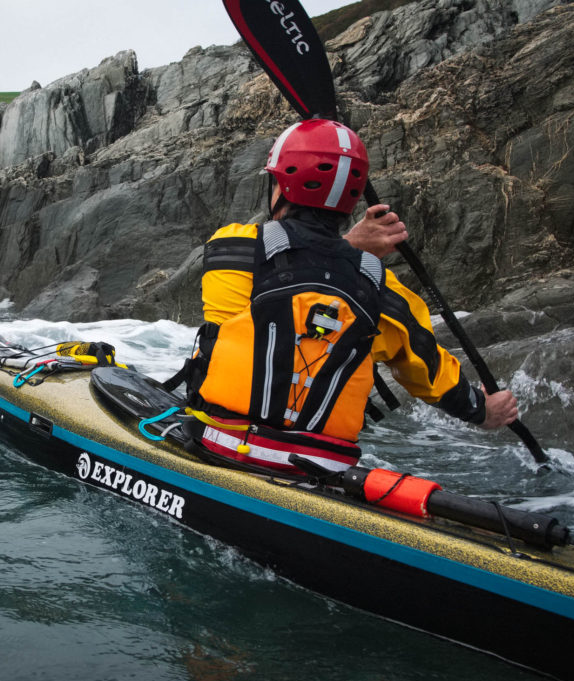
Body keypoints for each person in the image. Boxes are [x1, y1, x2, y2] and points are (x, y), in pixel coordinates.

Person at [184, 118, 518, 475]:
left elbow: (291, 264)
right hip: (320, 467)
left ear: (280, 185)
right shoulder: (384, 290)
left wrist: (347, 247)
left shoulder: (230, 246)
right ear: (352, 202)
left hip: (220, 445)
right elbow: (429, 370)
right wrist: (483, 411)